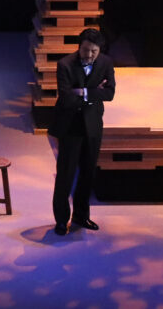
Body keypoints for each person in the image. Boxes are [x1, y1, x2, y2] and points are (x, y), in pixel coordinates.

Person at [50, 28, 115, 235]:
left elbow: (110, 93)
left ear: (99, 50)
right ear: (79, 47)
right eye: (86, 50)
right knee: (66, 175)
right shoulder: (65, 64)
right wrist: (95, 92)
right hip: (70, 127)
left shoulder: (106, 63)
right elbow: (66, 98)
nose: (89, 55)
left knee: (88, 173)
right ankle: (61, 220)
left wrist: (83, 92)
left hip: (93, 126)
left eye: (94, 51)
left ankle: (81, 215)